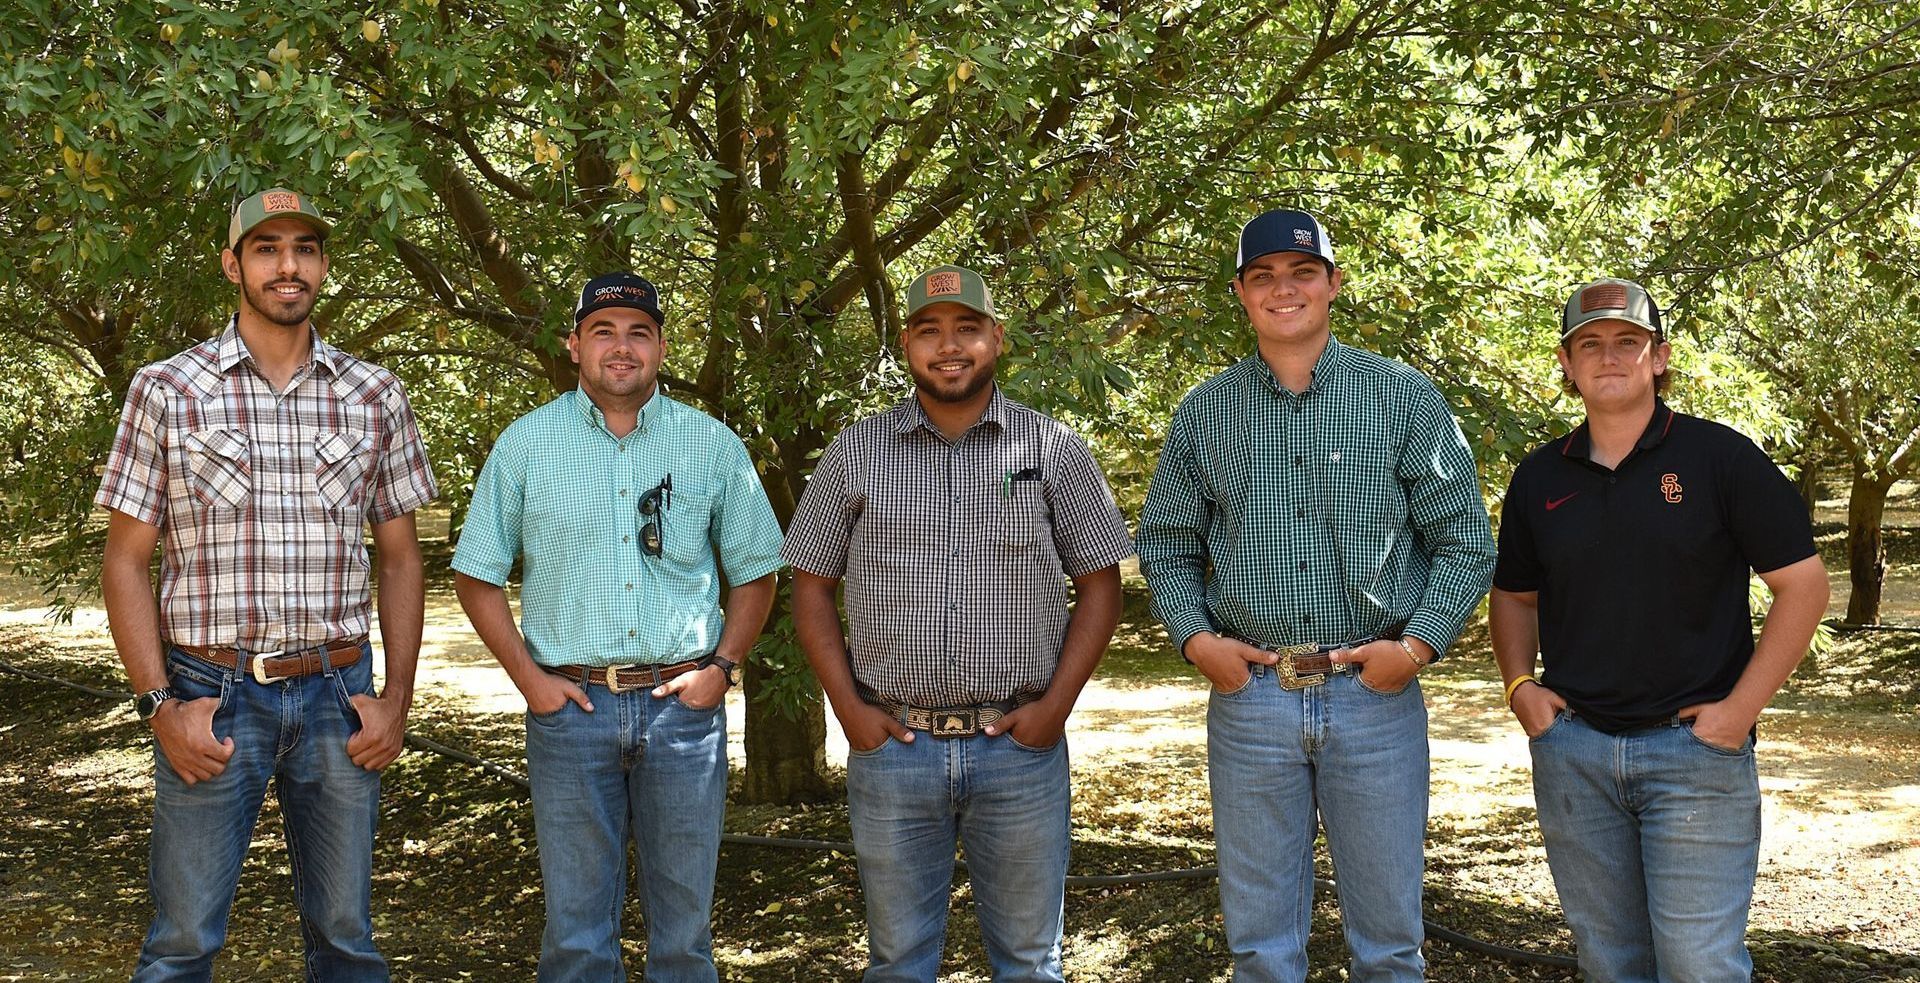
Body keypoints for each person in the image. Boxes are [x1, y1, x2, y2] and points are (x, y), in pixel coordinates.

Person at [1136, 208, 1495, 981]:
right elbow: (1165, 543)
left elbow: (1465, 541)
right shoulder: (1205, 412)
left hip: (1374, 695)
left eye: (1301, 272)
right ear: (1240, 293)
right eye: (1262, 276)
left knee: (1390, 942)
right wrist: (1198, 641)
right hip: (1252, 697)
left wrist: (1417, 646)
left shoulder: (1402, 397)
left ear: (1334, 283)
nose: (1283, 289)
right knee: (1262, 945)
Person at [98, 188, 437, 982]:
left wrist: (398, 698)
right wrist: (159, 706)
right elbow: (124, 560)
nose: (289, 265)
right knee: (181, 942)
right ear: (232, 264)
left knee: (348, 940)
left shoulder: (374, 393)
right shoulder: (167, 389)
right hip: (210, 695)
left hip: (338, 695)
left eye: (306, 249)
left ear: (323, 265)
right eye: (266, 248)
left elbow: (400, 557)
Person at [783, 265, 1133, 982]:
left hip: (1020, 749)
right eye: (929, 330)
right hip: (894, 747)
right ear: (904, 343)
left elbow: (1101, 586)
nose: (950, 346)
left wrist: (1053, 711)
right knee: (898, 961)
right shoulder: (855, 452)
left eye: (967, 328)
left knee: (1031, 963)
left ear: (995, 338)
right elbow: (811, 586)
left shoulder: (1050, 450)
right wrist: (849, 709)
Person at [1489, 278, 1828, 982]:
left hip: (1695, 754)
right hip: (1575, 750)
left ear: (1660, 356)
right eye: (1590, 344)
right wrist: (1521, 686)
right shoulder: (1539, 476)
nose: (1608, 357)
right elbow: (1515, 596)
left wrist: (1740, 711)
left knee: (1699, 964)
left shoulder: (1720, 459)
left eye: (1627, 342)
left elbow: (1804, 587)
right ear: (1566, 362)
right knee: (1610, 963)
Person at [451, 271, 782, 982]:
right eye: (604, 331)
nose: (621, 347)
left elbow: (757, 572)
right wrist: (529, 680)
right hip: (571, 711)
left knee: (685, 938)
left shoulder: (712, 446)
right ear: (575, 345)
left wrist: (722, 667)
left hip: (682, 711)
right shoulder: (526, 445)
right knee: (575, 938)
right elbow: (476, 574)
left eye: (639, 332)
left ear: (662, 346)